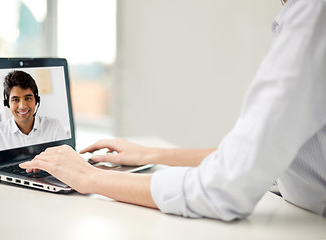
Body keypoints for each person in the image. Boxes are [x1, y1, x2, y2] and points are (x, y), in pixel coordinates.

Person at [20, 0, 326, 221]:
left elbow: (223, 189)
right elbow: (257, 156)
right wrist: (153, 155)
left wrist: (89, 177)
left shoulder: (314, 14)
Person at [0, 70, 67, 153]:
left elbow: (66, 160)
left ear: (36, 101)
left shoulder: (54, 126)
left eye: (28, 98)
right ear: (7, 104)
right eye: (15, 100)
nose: (22, 106)